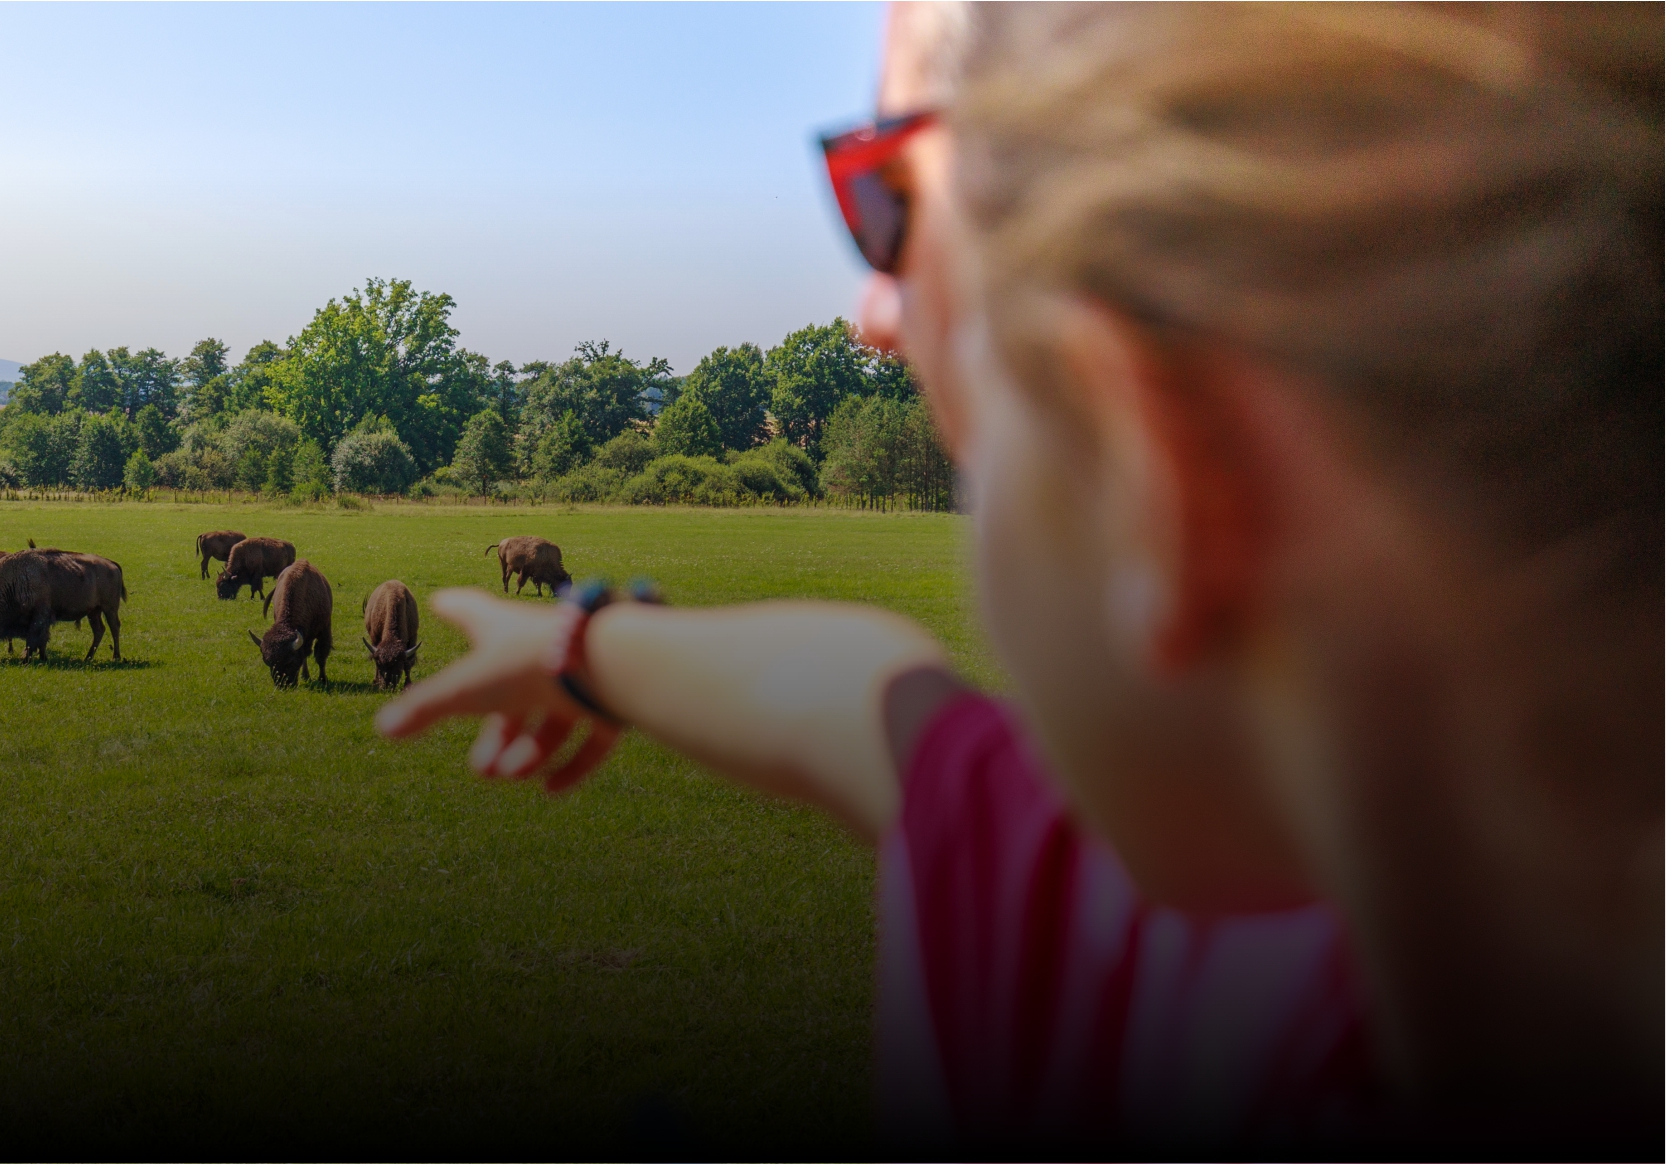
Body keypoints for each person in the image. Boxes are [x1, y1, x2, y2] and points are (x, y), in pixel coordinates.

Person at [378, 2, 1660, 1152]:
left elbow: (879, 722)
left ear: (1165, 469)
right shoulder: (1245, 950)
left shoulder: (1164, 1031)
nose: (871, 316)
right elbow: (868, 712)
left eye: (890, 206)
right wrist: (589, 646)